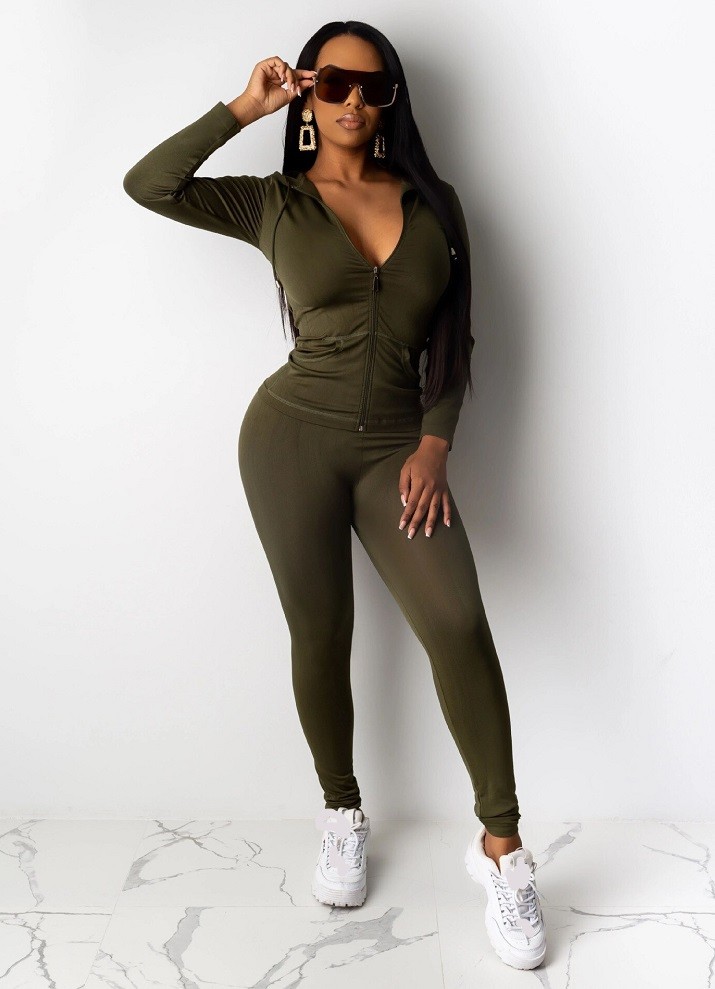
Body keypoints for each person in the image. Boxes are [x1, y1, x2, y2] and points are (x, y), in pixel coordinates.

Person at [122, 21, 546, 970]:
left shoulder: (435, 203)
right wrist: (245, 106)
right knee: (321, 634)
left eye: (374, 85)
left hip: (399, 448)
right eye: (335, 82)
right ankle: (341, 812)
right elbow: (149, 183)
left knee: (457, 623)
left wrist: (436, 440)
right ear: (309, 90)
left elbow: (458, 333)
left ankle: (502, 848)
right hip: (289, 444)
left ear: (391, 100)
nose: (354, 99)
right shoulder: (272, 201)